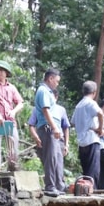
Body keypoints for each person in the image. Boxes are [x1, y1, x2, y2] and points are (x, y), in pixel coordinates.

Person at [34, 69, 67, 197]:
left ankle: (59, 185)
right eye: (57, 81)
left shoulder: (48, 92)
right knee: (51, 158)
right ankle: (50, 186)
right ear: (50, 78)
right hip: (48, 128)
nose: (57, 84)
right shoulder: (42, 91)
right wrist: (54, 128)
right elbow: (46, 111)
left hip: (54, 129)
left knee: (58, 158)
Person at [70, 80, 104, 188]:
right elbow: (100, 113)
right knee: (93, 171)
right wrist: (99, 128)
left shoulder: (79, 105)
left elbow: (73, 123)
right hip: (91, 139)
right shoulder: (91, 103)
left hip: (81, 142)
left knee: (86, 172)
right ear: (94, 92)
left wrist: (84, 125)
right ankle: (92, 193)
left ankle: (86, 191)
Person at [27, 89, 70, 161]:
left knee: (58, 164)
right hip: (44, 137)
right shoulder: (37, 109)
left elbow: (66, 127)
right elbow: (31, 125)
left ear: (56, 98)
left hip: (59, 139)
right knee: (48, 162)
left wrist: (66, 144)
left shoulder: (61, 109)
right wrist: (36, 137)